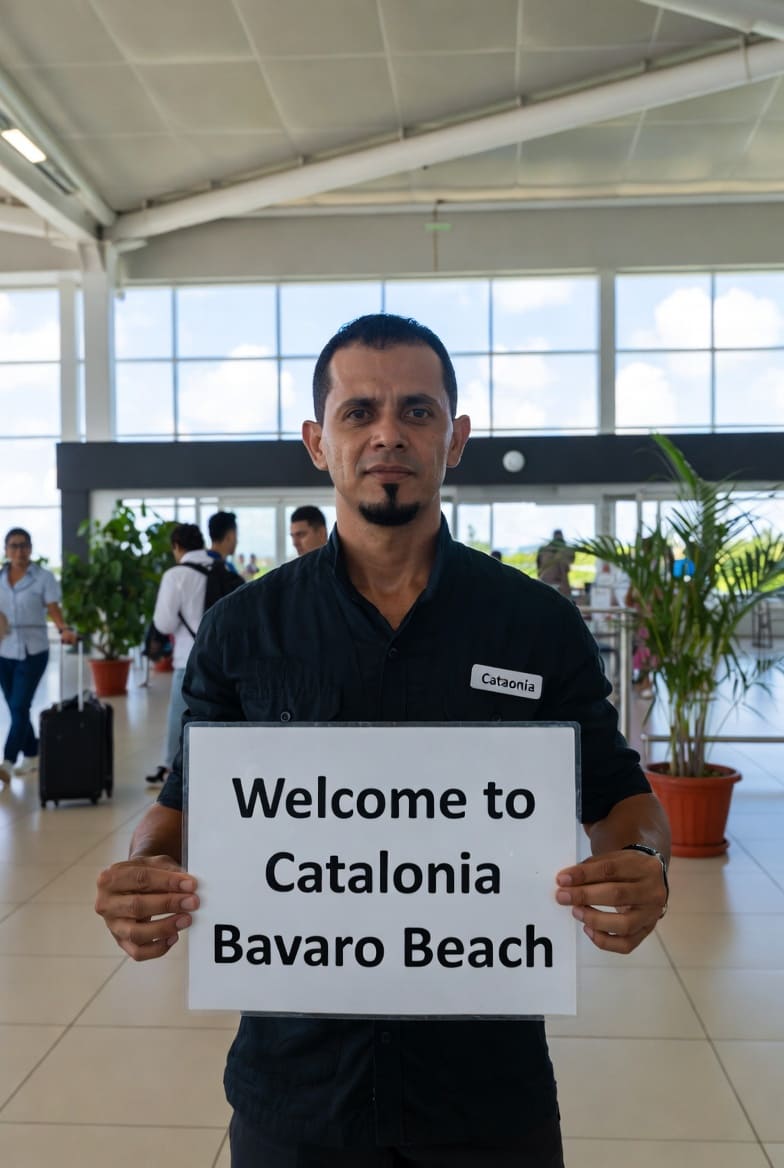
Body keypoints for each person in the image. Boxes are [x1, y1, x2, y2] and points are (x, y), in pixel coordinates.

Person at [96, 314, 671, 1167]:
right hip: (298, 1092)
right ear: (317, 442)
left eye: (418, 411)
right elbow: (184, 807)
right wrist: (144, 873)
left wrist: (646, 865)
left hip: (486, 1091)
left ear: (457, 437)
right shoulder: (242, 630)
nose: (388, 434)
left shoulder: (534, 626)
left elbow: (621, 795)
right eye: (358, 412)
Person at [0, 528, 76, 783]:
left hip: (34, 651)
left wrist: (63, 628)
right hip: (4, 651)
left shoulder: (43, 578)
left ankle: (7, 761)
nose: (19, 551)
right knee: (16, 707)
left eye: (24, 545)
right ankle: (32, 752)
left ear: (31, 548)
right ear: (6, 550)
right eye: (14, 546)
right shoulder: (0, 577)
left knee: (20, 705)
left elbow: (53, 608)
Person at [144, 524, 212, 786]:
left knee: (179, 715)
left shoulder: (176, 576)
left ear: (177, 546)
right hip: (219, 655)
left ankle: (172, 770)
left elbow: (164, 624)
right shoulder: (219, 569)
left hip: (188, 657)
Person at [536, 528, 575, 598]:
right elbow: (567, 567)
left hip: (545, 582)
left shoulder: (544, 549)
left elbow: (538, 567)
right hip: (560, 584)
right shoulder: (567, 550)